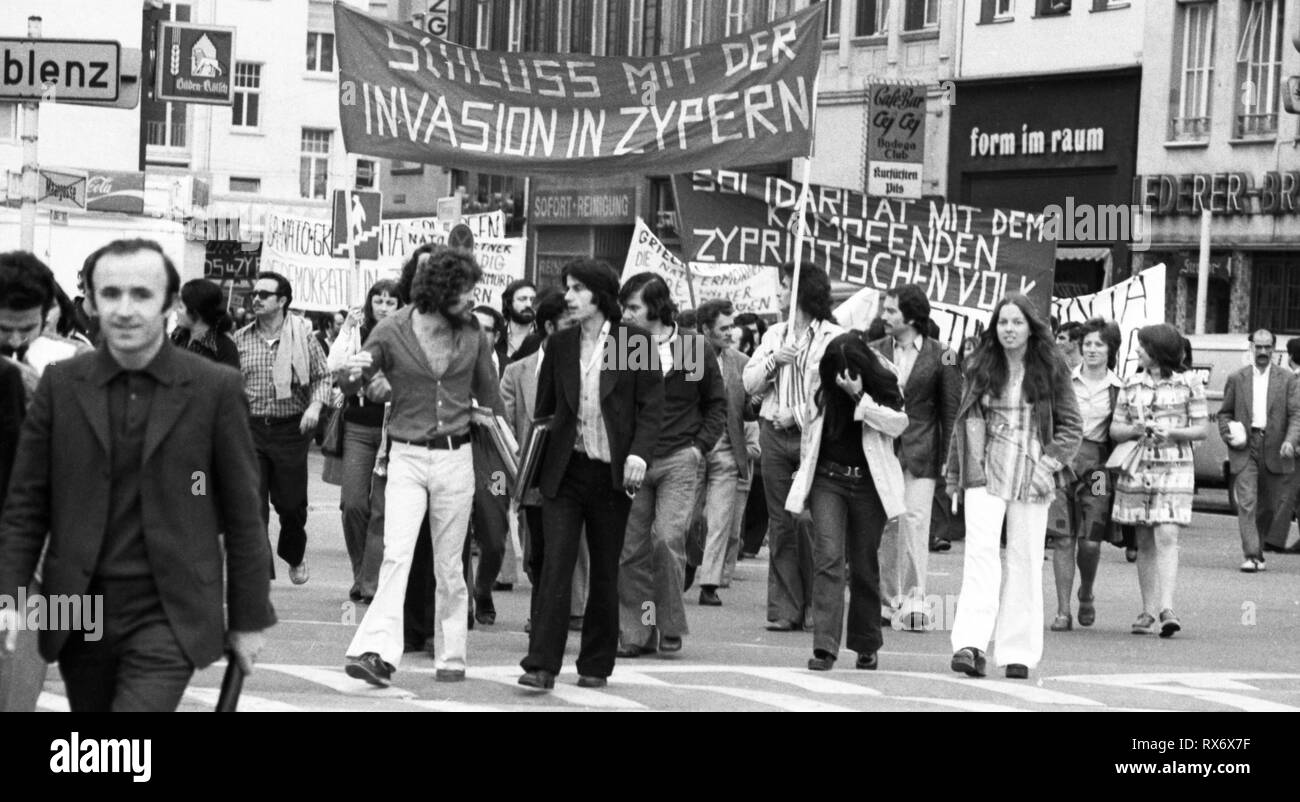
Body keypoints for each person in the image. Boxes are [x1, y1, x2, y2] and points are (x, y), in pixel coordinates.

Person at [0, 238, 275, 711]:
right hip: (79, 610)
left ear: (170, 304)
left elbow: (244, 512)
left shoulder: (215, 388)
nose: (125, 310)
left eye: (142, 295)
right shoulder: (62, 385)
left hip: (167, 612)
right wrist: (10, 596)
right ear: (89, 302)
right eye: (110, 295)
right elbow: (27, 505)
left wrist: (249, 617)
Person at [341, 248, 503, 686]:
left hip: (457, 455)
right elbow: (356, 382)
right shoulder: (392, 328)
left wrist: (508, 460)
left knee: (450, 564)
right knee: (396, 554)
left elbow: (491, 399)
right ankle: (376, 651)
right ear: (439, 292)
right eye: (465, 293)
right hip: (407, 455)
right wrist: (356, 374)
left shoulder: (474, 334)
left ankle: (452, 654)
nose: (473, 301)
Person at [518, 259, 664, 691]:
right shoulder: (561, 343)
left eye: (578, 288)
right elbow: (544, 410)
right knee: (556, 564)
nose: (568, 296)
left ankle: (596, 663)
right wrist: (532, 468)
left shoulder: (628, 341)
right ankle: (542, 664)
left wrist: (638, 452)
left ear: (599, 295)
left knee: (604, 568)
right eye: (567, 288)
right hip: (565, 471)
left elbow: (649, 407)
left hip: (611, 474)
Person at [945, 294, 1082, 680]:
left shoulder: (1052, 367)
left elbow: (1072, 426)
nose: (1009, 329)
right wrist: (955, 475)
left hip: (1033, 473)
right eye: (1003, 322)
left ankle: (1017, 652)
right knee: (979, 556)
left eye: (1016, 322)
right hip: (985, 471)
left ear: (1030, 327)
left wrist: (1049, 465)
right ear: (995, 327)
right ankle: (970, 646)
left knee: (1024, 561)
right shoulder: (978, 365)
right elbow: (963, 422)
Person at [616, 273, 725, 657]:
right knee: (630, 550)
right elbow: (615, 402)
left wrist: (700, 448)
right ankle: (637, 630)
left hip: (680, 457)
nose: (626, 315)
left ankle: (670, 624)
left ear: (657, 307)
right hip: (633, 461)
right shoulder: (625, 345)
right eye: (624, 307)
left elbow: (716, 404)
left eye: (634, 307)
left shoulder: (695, 347)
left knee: (667, 541)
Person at [788, 333, 908, 671]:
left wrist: (860, 398)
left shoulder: (885, 378)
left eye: (850, 372)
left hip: (870, 483)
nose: (843, 379)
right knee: (827, 558)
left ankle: (866, 644)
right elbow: (810, 434)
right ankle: (824, 646)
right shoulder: (820, 381)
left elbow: (899, 424)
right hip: (829, 478)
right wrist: (804, 481)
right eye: (837, 373)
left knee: (864, 564)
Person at [743, 263, 844, 632]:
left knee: (813, 522)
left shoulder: (834, 337)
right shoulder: (774, 333)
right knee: (782, 523)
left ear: (802, 293)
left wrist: (798, 414)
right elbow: (749, 382)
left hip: (814, 437)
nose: (780, 293)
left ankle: (821, 605)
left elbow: (835, 393)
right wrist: (775, 360)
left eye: (785, 287)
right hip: (772, 436)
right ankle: (786, 607)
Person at [871, 284, 960, 631]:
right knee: (887, 525)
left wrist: (950, 459)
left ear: (911, 315)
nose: (884, 316)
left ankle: (915, 600)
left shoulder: (946, 354)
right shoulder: (873, 349)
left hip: (923, 452)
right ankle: (885, 599)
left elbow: (952, 410)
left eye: (891, 310)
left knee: (915, 520)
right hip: (881, 449)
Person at [1111, 323, 1208, 638]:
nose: (1137, 350)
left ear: (1158, 351)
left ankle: (1167, 608)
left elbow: (1201, 429)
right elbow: (1116, 429)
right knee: (1144, 540)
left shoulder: (1189, 382)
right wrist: (1138, 430)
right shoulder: (1130, 384)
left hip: (1175, 466)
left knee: (1167, 535)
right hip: (1139, 466)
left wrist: (1173, 432)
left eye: (1143, 345)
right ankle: (1147, 609)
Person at [500, 290, 590, 629]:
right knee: (538, 551)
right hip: (534, 474)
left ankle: (573, 611)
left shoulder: (610, 353)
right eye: (570, 324)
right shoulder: (517, 371)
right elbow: (505, 424)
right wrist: (516, 470)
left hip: (582, 467)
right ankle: (545, 611)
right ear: (550, 327)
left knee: (576, 545)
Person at [234, 271, 331, 584]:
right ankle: (257, 574)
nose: (257, 299)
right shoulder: (240, 338)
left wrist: (315, 405)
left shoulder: (304, 337)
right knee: (252, 504)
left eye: (265, 294)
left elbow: (322, 377)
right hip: (250, 430)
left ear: (283, 301)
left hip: (290, 429)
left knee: (290, 506)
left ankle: (293, 553)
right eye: (255, 294)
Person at [327, 279, 402, 604]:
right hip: (358, 425)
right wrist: (350, 345)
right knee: (353, 504)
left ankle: (371, 582)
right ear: (369, 303)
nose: (384, 307)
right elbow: (339, 378)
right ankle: (361, 570)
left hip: (393, 428)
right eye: (379, 301)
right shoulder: (358, 333)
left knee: (381, 509)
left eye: (390, 301)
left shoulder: (404, 334)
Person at [1047, 318, 1124, 631]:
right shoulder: (1063, 380)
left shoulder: (1120, 388)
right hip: (1062, 462)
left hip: (1099, 468)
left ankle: (1087, 591)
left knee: (1090, 541)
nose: (1092, 350)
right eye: (1088, 344)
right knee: (1062, 539)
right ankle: (1063, 610)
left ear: (1110, 349)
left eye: (1099, 344)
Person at [1217, 329, 1300, 573]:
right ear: (1251, 347)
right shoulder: (1236, 378)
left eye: (1268, 347)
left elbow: (1296, 414)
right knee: (1247, 501)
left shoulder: (1287, 379)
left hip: (1276, 447)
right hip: (1246, 446)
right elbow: (1224, 414)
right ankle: (1251, 554)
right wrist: (1229, 434)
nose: (1263, 352)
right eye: (1259, 346)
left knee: (1270, 505)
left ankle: (1258, 548)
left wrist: (1291, 441)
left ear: (1275, 349)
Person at [692, 299, 753, 606]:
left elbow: (749, 407)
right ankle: (688, 563)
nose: (731, 333)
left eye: (732, 327)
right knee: (689, 520)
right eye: (724, 328)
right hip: (693, 449)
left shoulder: (742, 362)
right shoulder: (686, 356)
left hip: (729, 452)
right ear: (705, 329)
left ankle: (709, 583)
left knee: (719, 522)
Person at [1264, 337, 1300, 554]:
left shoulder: (1294, 381)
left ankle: (1274, 539)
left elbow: (1296, 415)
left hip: (1293, 447)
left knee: (1284, 493)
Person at [172, 279, 240, 369]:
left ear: (195, 312)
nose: (175, 310)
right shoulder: (177, 337)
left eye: (180, 307)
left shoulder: (224, 347)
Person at [501, 279, 537, 360]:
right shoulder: (497, 336)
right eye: (522, 299)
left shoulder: (544, 338)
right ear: (509, 303)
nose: (529, 304)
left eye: (532, 300)